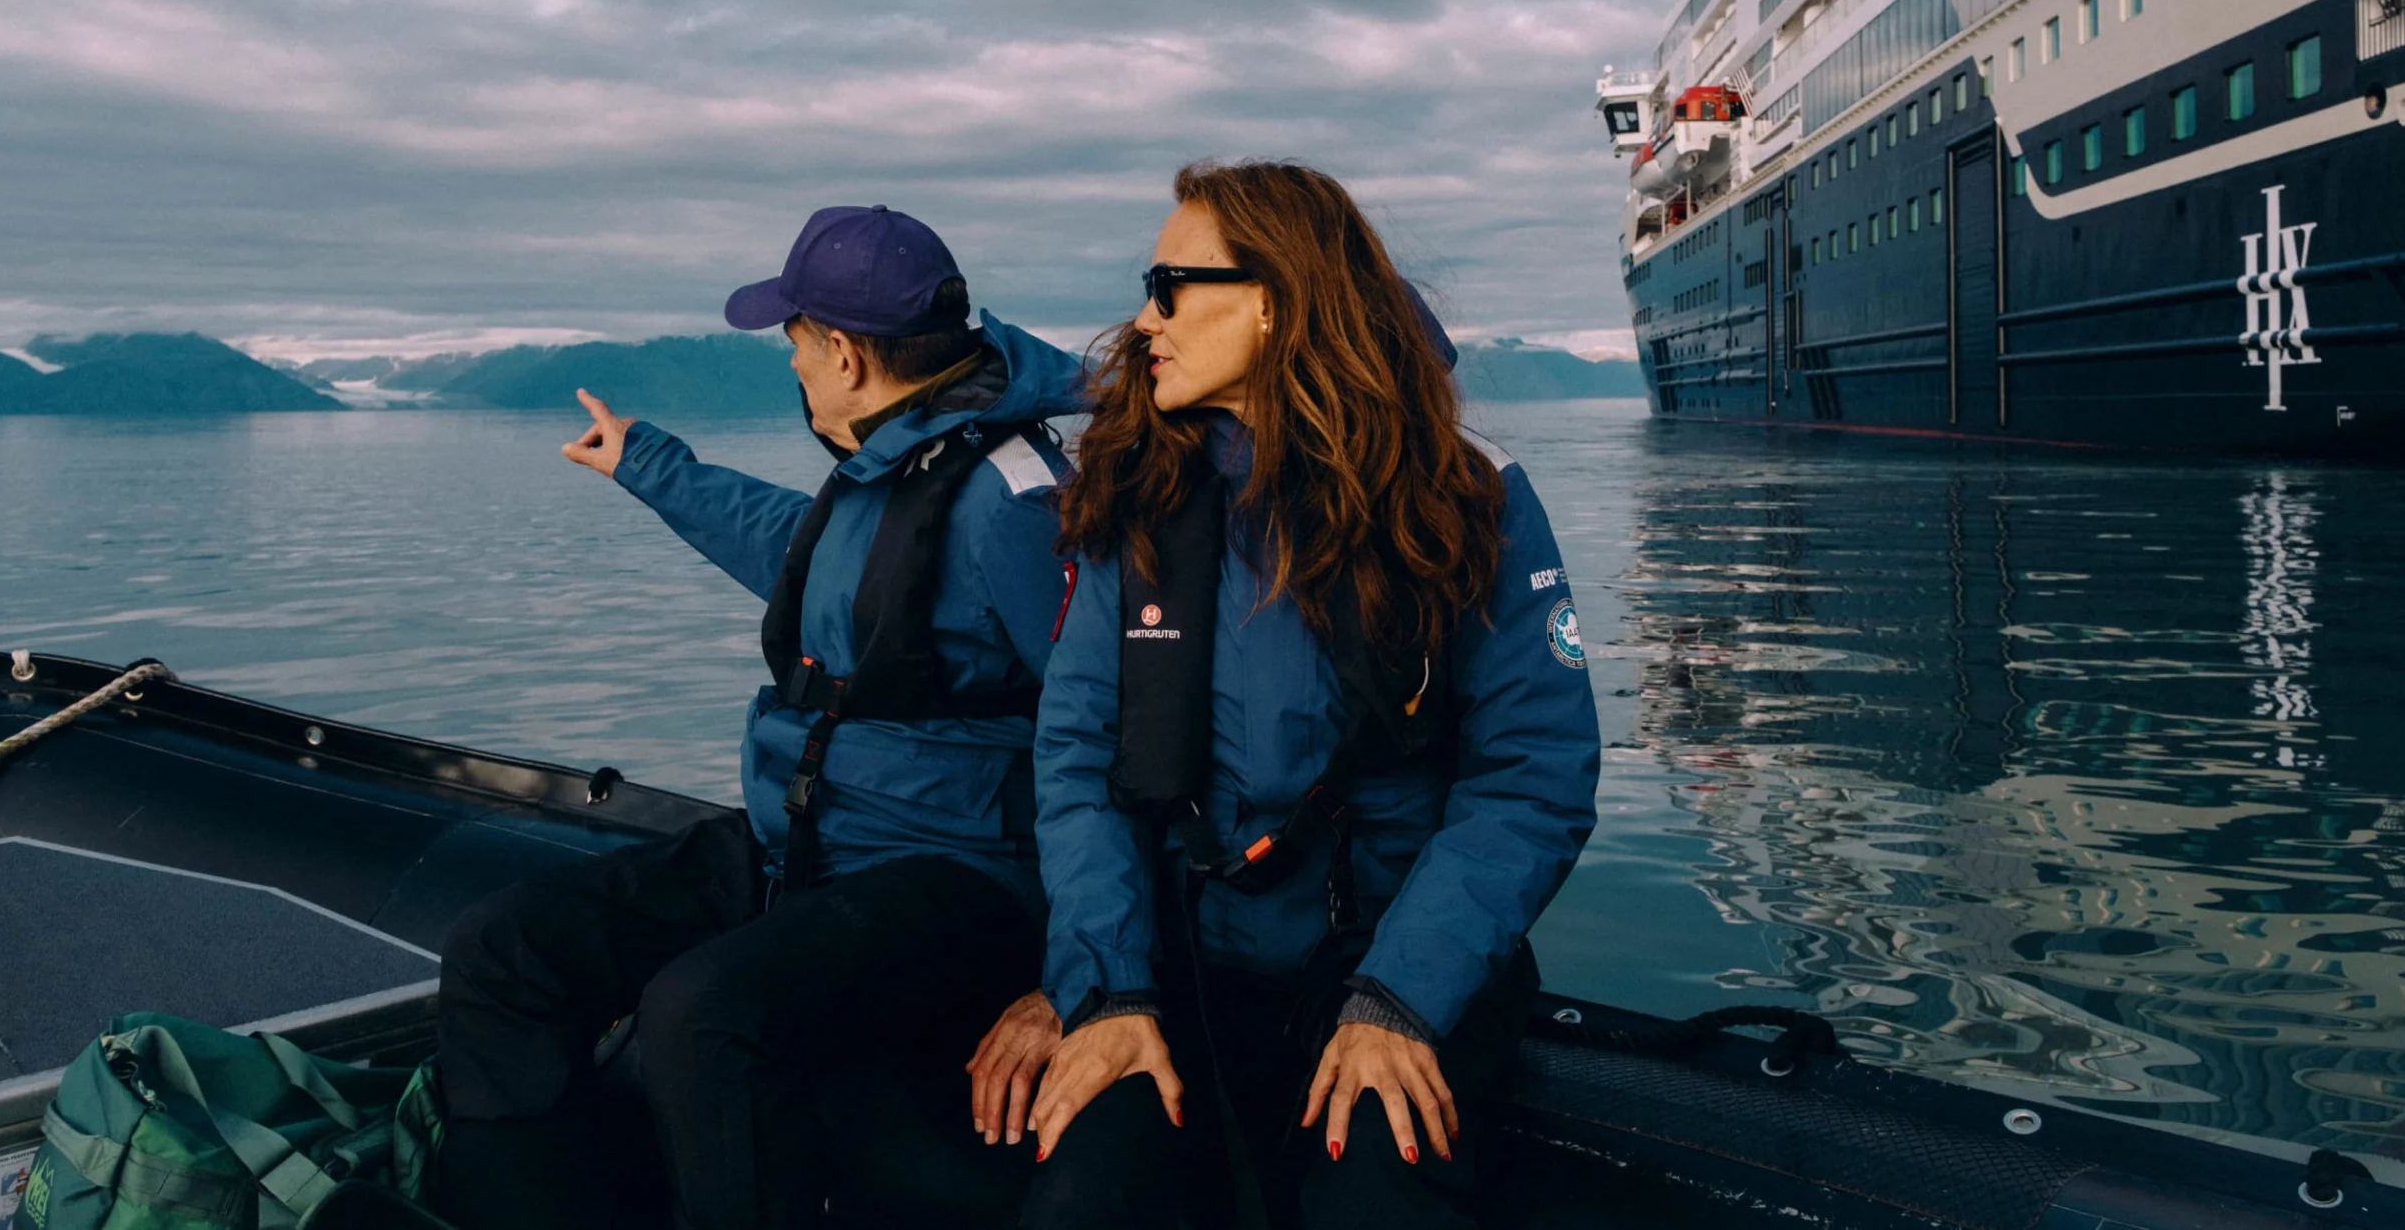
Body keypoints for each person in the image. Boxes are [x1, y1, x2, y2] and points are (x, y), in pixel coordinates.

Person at [430, 204, 1086, 1230]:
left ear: (843, 351)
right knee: (507, 948)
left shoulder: (1017, 502)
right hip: (816, 840)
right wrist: (646, 462)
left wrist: (1078, 980)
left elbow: (1130, 737)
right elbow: (803, 556)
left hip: (960, 872)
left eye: (793, 343)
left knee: (704, 1013)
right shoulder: (890, 459)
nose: (791, 366)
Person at [990, 160, 1600, 1229]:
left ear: (1272, 301)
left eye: (1167, 285)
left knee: (1371, 1187)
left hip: (1398, 954)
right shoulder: (1140, 497)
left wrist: (1397, 1001)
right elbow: (1079, 765)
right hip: (1184, 957)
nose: (1141, 322)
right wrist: (1107, 988)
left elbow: (1532, 777)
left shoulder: (1470, 498)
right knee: (1084, 1194)